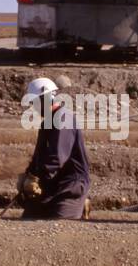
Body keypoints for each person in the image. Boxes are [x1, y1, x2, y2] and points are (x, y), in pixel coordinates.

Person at [17, 76, 90, 220]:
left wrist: (35, 178)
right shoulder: (47, 123)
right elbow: (39, 156)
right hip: (52, 183)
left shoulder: (62, 119)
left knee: (59, 223)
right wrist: (28, 175)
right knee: (29, 217)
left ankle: (80, 204)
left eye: (34, 102)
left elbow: (55, 159)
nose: (33, 107)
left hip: (69, 185)